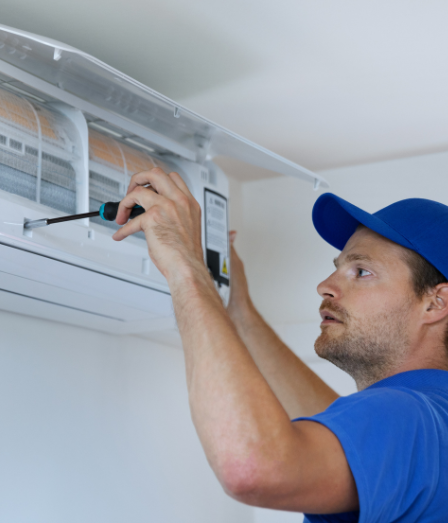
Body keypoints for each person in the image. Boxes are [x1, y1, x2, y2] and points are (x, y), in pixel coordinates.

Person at [112, 168, 448, 522]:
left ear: (436, 303)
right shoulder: (427, 424)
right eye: (336, 268)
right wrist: (238, 312)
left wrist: (184, 264)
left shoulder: (406, 417)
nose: (325, 285)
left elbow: (251, 468)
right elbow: (347, 431)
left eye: (362, 272)